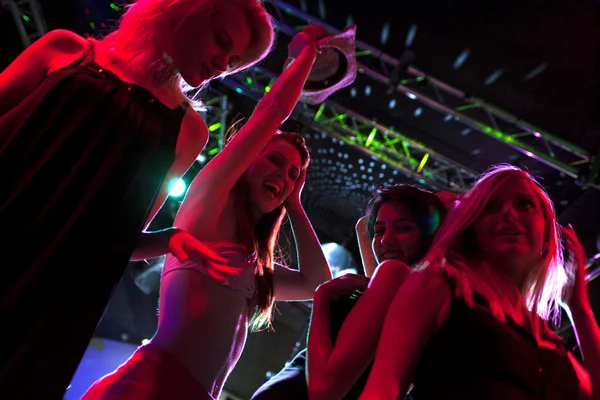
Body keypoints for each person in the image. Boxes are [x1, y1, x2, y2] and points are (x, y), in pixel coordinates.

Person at [0, 0, 275, 397]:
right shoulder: (65, 50)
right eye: (220, 41)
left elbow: (118, 239)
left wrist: (167, 240)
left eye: (232, 61)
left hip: (51, 294)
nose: (221, 65)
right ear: (184, 10)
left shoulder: (186, 132)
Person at [82, 27, 333, 400]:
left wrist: (294, 203)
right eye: (275, 160)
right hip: (150, 386)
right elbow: (272, 112)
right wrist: (306, 56)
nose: (283, 176)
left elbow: (317, 284)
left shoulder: (253, 266)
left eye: (293, 174)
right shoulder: (209, 201)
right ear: (246, 159)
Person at [360, 165, 599, 399]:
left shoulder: (546, 337)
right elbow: (383, 389)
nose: (508, 213)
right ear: (473, 228)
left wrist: (578, 308)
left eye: (524, 204)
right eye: (490, 207)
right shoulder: (439, 284)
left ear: (547, 231)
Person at [250, 185, 448, 400]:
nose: (386, 240)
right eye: (380, 231)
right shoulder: (424, 299)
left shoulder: (396, 278)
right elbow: (364, 227)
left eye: (404, 228)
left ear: (430, 236)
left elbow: (320, 390)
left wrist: (322, 299)